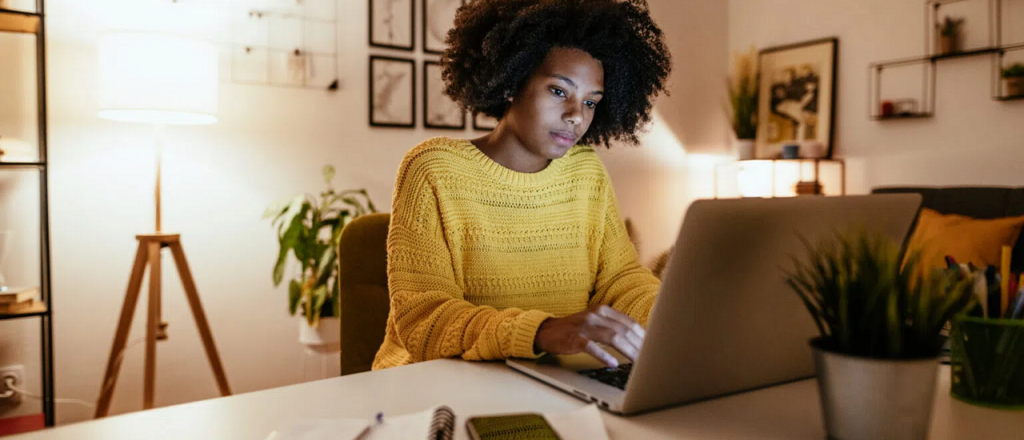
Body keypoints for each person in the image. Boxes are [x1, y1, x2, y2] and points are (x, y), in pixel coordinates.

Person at [372, 0, 672, 370]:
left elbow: (621, 280)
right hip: (438, 385)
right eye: (559, 91)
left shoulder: (586, 173)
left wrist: (671, 316)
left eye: (591, 102)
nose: (576, 116)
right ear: (512, 82)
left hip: (553, 379)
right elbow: (426, 321)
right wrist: (539, 331)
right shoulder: (433, 170)